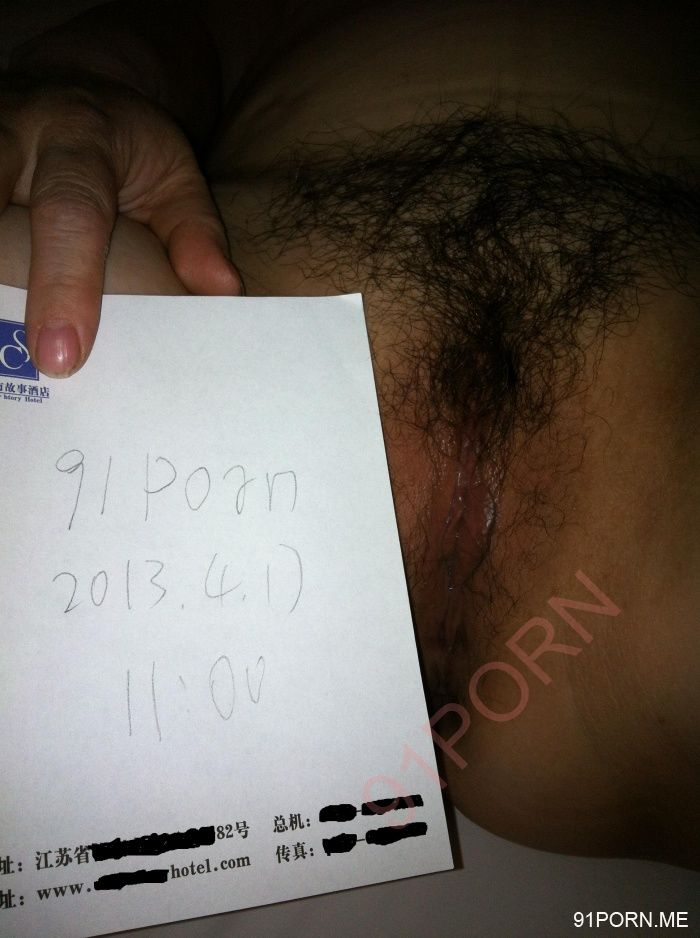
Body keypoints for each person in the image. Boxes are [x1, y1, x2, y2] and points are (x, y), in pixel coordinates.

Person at [0, 0, 698, 868]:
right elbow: (207, 26)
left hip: (630, 629)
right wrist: (85, 85)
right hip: (193, 329)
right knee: (39, 285)